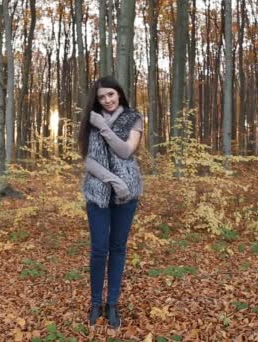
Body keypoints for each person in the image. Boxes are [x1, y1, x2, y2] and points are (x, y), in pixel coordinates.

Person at [78, 75, 143, 330]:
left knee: (118, 248)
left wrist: (104, 128)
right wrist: (113, 181)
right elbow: (89, 161)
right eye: (101, 97)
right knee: (98, 249)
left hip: (128, 195)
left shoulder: (132, 118)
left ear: (119, 94)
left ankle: (112, 304)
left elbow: (126, 151)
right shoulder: (91, 120)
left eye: (111, 95)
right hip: (97, 192)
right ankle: (95, 304)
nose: (107, 100)